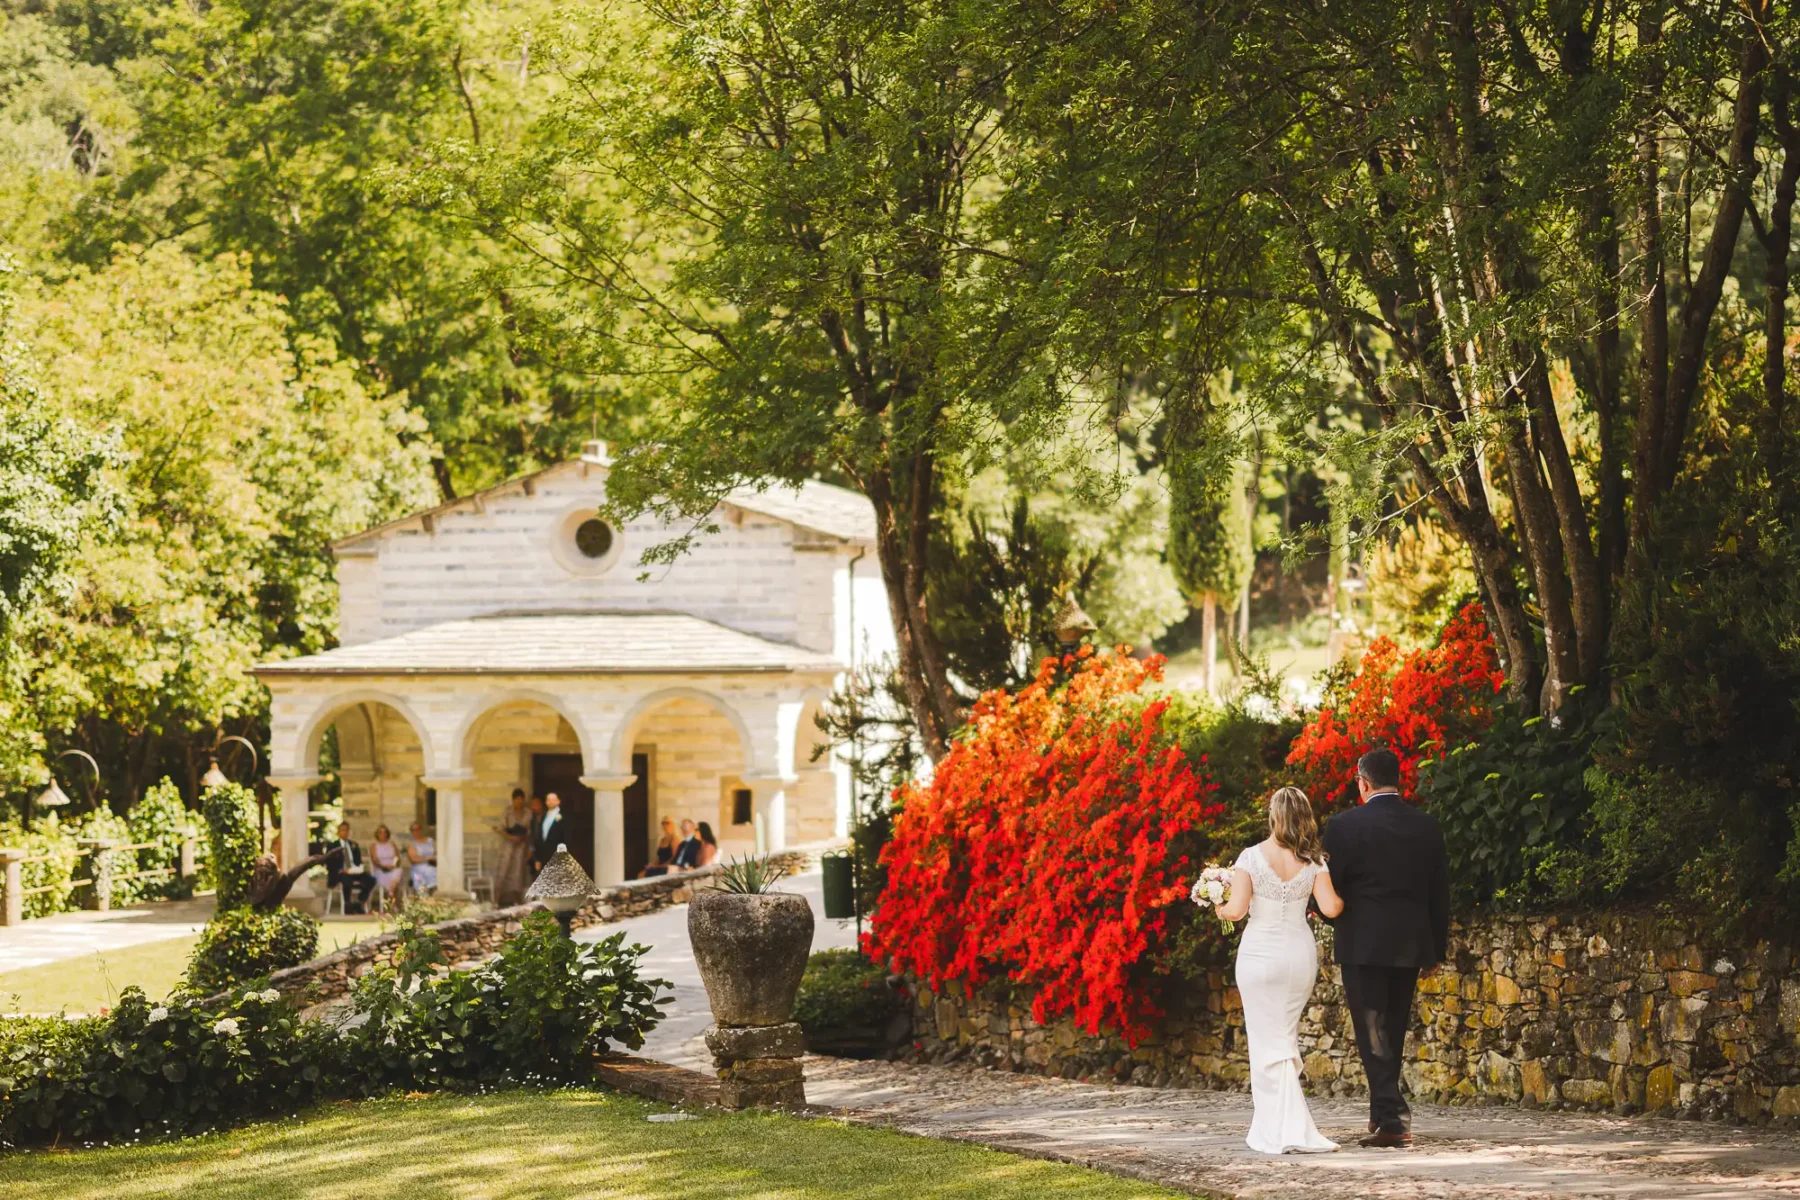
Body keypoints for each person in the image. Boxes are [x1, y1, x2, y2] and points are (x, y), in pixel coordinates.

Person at [1321, 747, 1450, 1148]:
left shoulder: (1342, 826)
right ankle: (1383, 1116)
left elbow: (1330, 888)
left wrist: (1328, 918)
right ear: (1399, 779)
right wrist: (1436, 950)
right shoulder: (1426, 825)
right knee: (1390, 1029)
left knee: (1372, 1033)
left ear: (1363, 782)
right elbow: (1439, 894)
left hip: (1363, 942)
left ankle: (1393, 1119)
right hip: (1411, 943)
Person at [1209, 786, 1344, 1155]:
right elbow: (1331, 908)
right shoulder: (1314, 861)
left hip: (1258, 956)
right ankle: (1289, 1124)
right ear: (1304, 816)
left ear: (1273, 815)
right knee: (1283, 1037)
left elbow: (1236, 911)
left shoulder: (1250, 857)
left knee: (1266, 1039)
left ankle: (1276, 1127)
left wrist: (1218, 906)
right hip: (1298, 956)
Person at [324, 821, 375, 914]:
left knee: (371, 879)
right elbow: (329, 863)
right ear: (338, 832)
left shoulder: (354, 845)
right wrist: (342, 870)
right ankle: (348, 905)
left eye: (347, 830)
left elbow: (359, 862)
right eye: (343, 830)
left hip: (354, 871)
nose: (345, 832)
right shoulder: (333, 846)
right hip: (340, 873)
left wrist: (358, 869)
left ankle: (359, 902)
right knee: (346, 879)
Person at [494, 788, 533, 906]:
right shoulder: (507, 812)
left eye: (521, 799)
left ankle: (517, 899)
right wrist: (510, 837)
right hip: (508, 844)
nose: (519, 802)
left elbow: (531, 830)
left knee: (518, 872)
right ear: (513, 800)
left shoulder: (527, 813)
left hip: (521, 845)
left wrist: (523, 838)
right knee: (503, 870)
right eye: (517, 800)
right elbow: (500, 828)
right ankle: (497, 898)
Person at [369, 825, 404, 907]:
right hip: (380, 870)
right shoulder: (374, 846)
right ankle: (393, 903)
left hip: (393, 868)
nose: (383, 834)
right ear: (377, 834)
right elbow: (374, 860)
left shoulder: (392, 844)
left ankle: (391, 896)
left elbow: (397, 858)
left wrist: (393, 865)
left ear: (387, 834)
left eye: (385, 832)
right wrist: (384, 866)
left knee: (398, 871)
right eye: (380, 832)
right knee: (395, 878)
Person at [532, 793, 564, 873]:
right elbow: (539, 838)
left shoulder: (563, 817)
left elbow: (566, 838)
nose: (551, 802)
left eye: (553, 800)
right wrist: (537, 859)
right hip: (544, 857)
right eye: (549, 800)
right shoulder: (543, 817)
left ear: (558, 801)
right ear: (546, 802)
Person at [407, 821, 438, 894]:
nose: (416, 831)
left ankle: (434, 890)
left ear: (421, 830)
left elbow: (439, 853)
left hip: (432, 865)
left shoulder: (431, 841)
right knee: (422, 876)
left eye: (418, 829)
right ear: (411, 832)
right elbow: (414, 859)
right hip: (418, 868)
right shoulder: (412, 845)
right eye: (414, 830)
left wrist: (434, 858)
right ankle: (424, 894)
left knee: (433, 871)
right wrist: (428, 858)